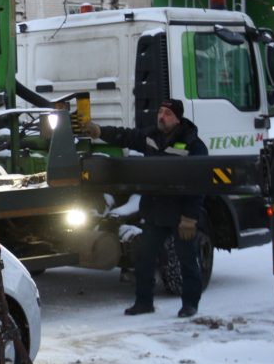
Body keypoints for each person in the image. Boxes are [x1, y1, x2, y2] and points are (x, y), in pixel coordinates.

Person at [84, 99, 207, 318]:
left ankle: (190, 304)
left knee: (187, 260)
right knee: (145, 259)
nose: (161, 116)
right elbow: (126, 135)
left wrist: (190, 217)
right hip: (154, 212)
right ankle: (143, 302)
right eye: (160, 111)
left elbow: (198, 183)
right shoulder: (152, 137)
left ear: (178, 118)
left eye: (167, 113)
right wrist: (99, 131)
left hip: (180, 215)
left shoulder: (192, 144)